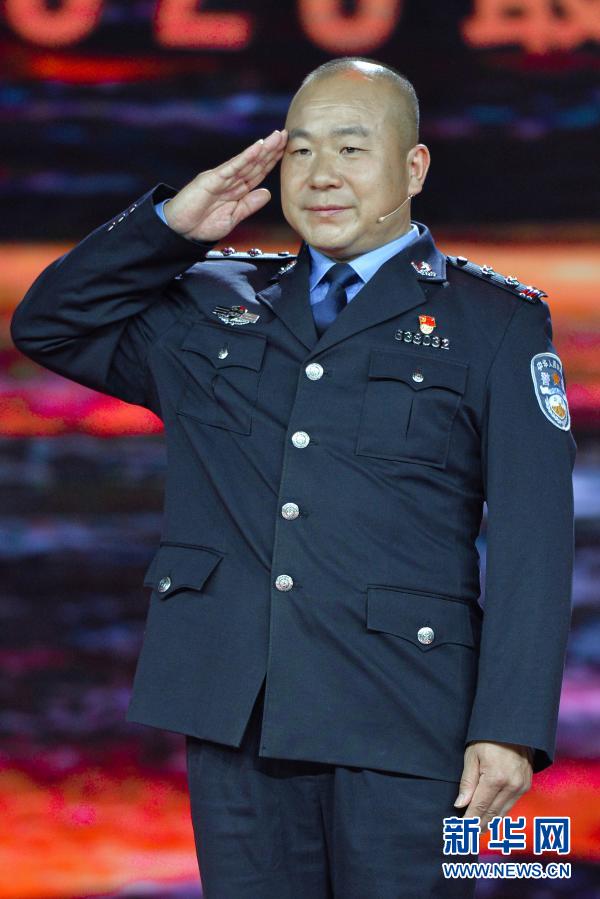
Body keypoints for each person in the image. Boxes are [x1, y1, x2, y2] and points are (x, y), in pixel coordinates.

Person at [10, 57, 576, 898]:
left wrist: (510, 726)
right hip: (241, 717)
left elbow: (537, 538)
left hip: (410, 721)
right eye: (300, 151)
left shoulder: (494, 323)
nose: (321, 175)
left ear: (413, 167)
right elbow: (50, 324)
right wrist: (170, 228)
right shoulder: (209, 303)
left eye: (351, 148)